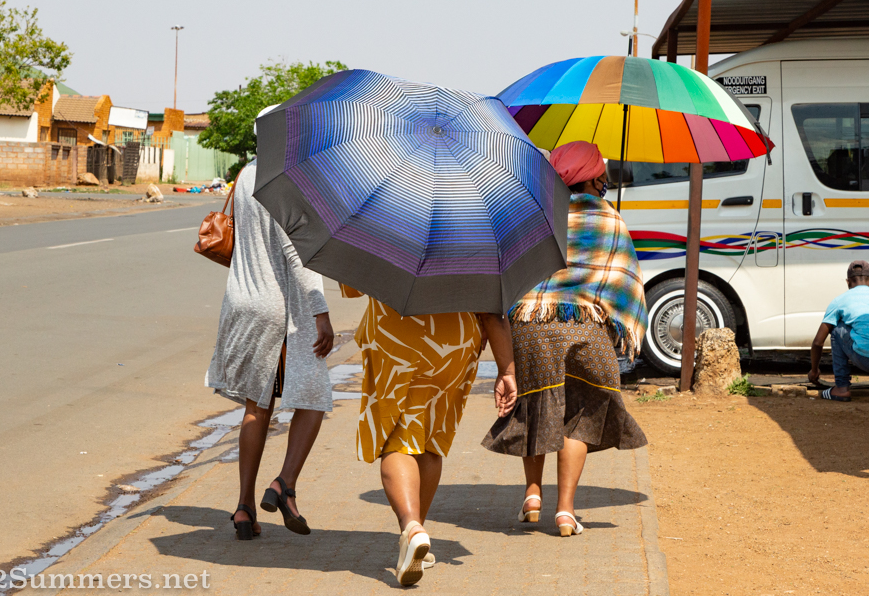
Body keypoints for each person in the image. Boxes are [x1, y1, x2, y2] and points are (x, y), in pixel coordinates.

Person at [482, 140, 648, 537]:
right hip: (584, 327)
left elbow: (510, 273)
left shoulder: (534, 215)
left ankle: (533, 494)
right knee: (581, 414)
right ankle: (566, 511)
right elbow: (623, 282)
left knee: (538, 406)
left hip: (531, 325)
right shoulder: (610, 219)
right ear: (596, 176)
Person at [206, 108, 336, 541]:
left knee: (256, 406)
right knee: (314, 397)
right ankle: (285, 484)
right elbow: (297, 255)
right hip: (279, 310)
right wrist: (321, 312)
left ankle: (244, 507)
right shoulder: (292, 181)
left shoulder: (247, 174)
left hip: (242, 303)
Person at [340, 285, 516, 586]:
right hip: (455, 341)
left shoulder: (387, 234)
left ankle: (411, 528)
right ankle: (416, 532)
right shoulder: (475, 237)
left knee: (397, 438)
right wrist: (507, 370)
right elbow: (492, 309)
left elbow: (355, 285)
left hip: (394, 336)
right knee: (431, 439)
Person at [809, 260, 869, 403]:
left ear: (848, 282)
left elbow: (818, 342)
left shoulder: (840, 300)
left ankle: (841, 387)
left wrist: (814, 370)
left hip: (868, 359)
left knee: (836, 329)